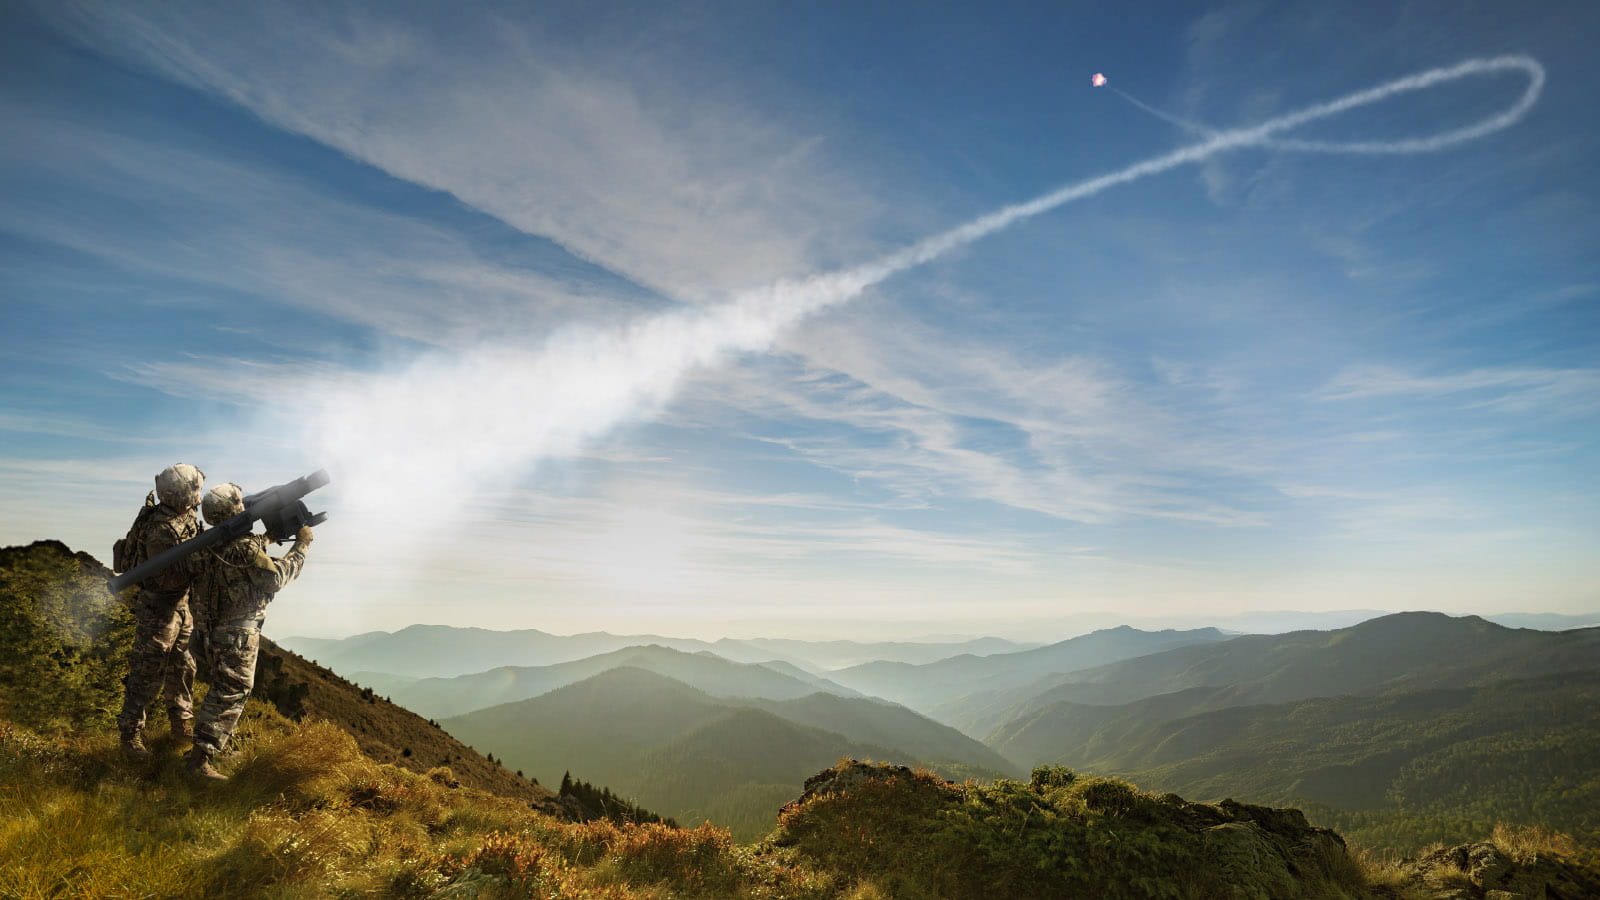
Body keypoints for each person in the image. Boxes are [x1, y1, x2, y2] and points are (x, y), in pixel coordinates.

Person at [185, 482, 313, 782]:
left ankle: (217, 746)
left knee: (221, 689)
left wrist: (267, 539)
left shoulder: (207, 544)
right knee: (230, 692)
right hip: (236, 635)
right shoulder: (243, 548)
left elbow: (239, 557)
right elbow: (275, 578)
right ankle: (199, 761)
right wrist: (302, 545)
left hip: (208, 631)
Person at [116, 463, 204, 761]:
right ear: (180, 493)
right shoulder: (160, 529)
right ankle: (131, 735)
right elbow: (166, 579)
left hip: (182, 606)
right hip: (158, 609)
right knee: (147, 671)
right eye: (195, 489)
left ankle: (181, 725)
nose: (199, 495)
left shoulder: (186, 516)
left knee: (184, 666)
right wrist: (200, 565)